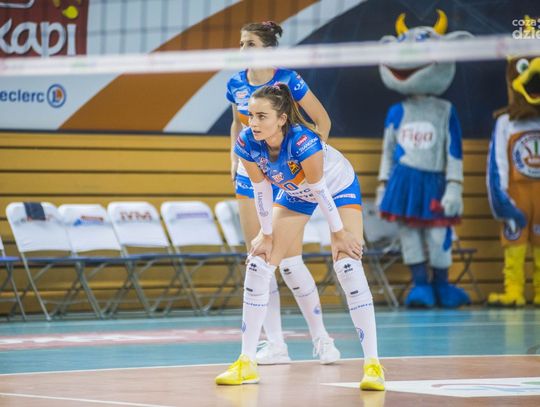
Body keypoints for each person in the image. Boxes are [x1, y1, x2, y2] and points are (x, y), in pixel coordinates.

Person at [215, 84, 385, 390]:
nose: (253, 122)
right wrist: (267, 234)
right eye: (251, 115)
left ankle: (373, 365)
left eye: (261, 116)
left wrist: (339, 233)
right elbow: (261, 190)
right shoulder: (247, 142)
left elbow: (320, 190)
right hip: (296, 192)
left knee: (347, 265)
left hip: (336, 186)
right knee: (259, 263)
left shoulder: (304, 141)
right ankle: (246, 362)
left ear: (281, 119)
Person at [227, 21, 339, 364]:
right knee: (259, 259)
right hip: (251, 173)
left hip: (287, 176)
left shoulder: (288, 80)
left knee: (290, 262)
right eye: (241, 43)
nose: (242, 49)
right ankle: (275, 344)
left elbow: (322, 122)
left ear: (267, 49)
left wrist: (307, 162)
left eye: (249, 43)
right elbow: (236, 125)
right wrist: (234, 162)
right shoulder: (236, 83)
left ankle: (322, 338)